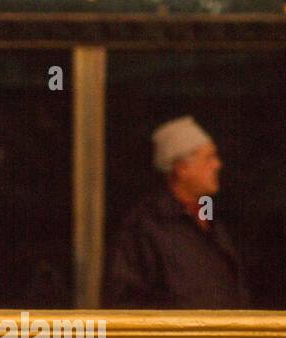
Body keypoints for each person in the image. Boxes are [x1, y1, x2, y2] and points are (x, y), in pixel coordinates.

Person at [104, 116, 248, 308]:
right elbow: (126, 302)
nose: (217, 165)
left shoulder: (209, 221)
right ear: (182, 168)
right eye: (209, 158)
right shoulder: (145, 227)